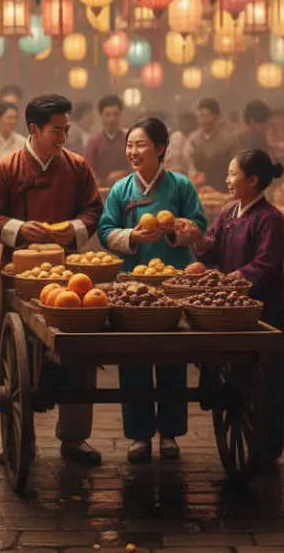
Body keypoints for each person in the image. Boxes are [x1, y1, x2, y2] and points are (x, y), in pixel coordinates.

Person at [0, 94, 104, 465]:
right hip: (19, 272)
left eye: (66, 130)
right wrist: (20, 229)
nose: (63, 137)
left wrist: (72, 229)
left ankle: (74, 436)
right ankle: (19, 440)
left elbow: (93, 209)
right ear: (33, 130)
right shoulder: (6, 168)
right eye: (56, 130)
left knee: (77, 349)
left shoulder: (77, 167)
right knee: (18, 355)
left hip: (69, 274)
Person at [97, 118, 207, 463]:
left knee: (172, 357)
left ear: (161, 148)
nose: (133, 151)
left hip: (173, 285)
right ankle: (139, 435)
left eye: (141, 145)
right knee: (135, 359)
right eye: (130, 145)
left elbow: (199, 225)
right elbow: (105, 230)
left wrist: (180, 231)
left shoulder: (181, 185)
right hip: (133, 288)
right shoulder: (121, 189)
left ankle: (170, 433)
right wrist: (132, 237)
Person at [188, 149, 284, 460]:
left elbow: (266, 265)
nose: (228, 180)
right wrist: (196, 238)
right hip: (231, 307)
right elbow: (212, 248)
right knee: (237, 375)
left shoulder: (270, 218)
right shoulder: (229, 213)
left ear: (253, 179)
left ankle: (267, 448)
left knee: (266, 379)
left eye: (233, 174)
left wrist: (231, 280)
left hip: (262, 308)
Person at [185, 97, 235, 190]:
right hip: (199, 187)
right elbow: (188, 160)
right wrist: (193, 172)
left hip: (222, 187)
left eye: (208, 116)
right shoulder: (193, 139)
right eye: (201, 116)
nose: (204, 120)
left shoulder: (227, 139)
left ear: (216, 116)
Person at [85, 95, 130, 186]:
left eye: (115, 114)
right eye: (108, 115)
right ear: (101, 116)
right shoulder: (94, 142)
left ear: (120, 115)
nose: (112, 119)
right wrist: (105, 180)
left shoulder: (129, 139)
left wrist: (125, 176)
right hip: (102, 192)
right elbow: (89, 169)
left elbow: (137, 167)